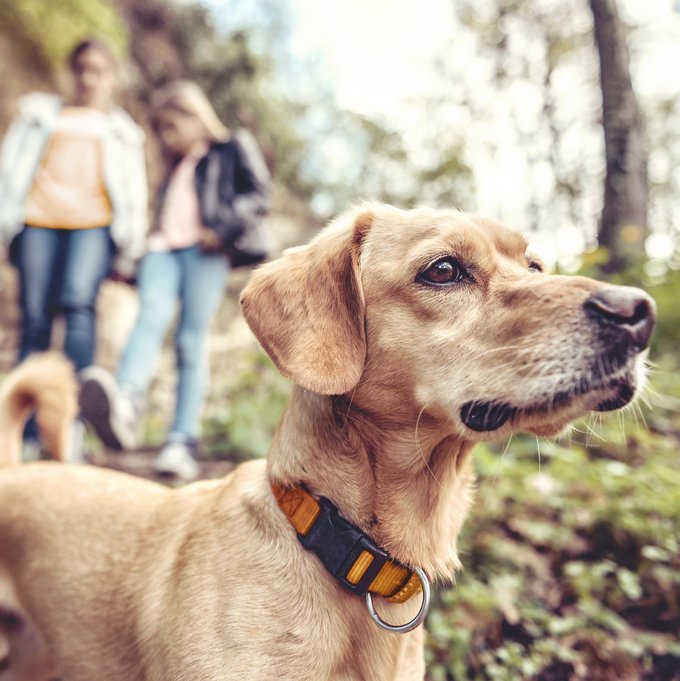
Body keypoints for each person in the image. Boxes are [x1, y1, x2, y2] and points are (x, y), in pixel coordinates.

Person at [80, 80, 270, 481]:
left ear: (194, 115)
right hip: (163, 251)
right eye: (161, 131)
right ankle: (126, 405)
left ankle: (182, 440)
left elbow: (258, 195)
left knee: (189, 339)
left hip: (206, 251)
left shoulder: (231, 147)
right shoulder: (174, 168)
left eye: (171, 127)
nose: (166, 138)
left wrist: (221, 229)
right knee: (149, 317)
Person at [0, 38, 148, 462]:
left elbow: (134, 192)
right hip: (36, 223)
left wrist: (130, 246)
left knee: (79, 308)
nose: (88, 78)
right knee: (34, 321)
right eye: (81, 68)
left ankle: (71, 426)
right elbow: (10, 171)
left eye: (98, 70)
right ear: (71, 71)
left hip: (93, 227)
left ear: (111, 78)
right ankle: (25, 432)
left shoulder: (122, 132)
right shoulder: (37, 115)